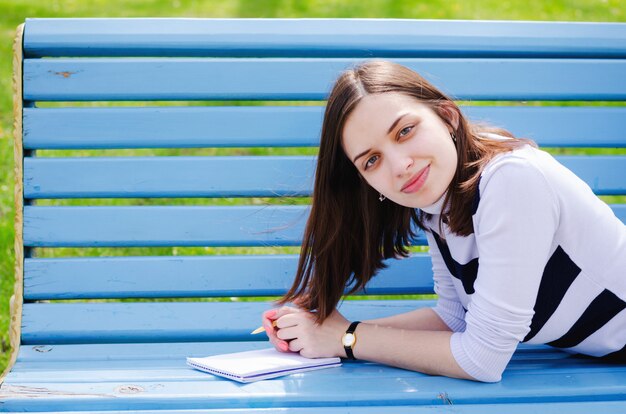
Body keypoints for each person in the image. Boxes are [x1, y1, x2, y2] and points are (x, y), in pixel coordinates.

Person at [260, 60, 626, 382]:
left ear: (447, 116)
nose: (400, 165)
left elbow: (483, 359)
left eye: (404, 131)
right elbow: (457, 318)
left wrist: (347, 340)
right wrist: (330, 331)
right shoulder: (440, 203)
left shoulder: (512, 180)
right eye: (371, 160)